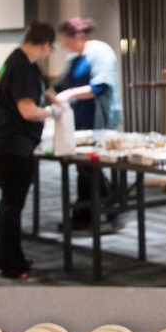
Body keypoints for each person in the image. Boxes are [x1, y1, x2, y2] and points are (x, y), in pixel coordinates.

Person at [0, 23, 57, 280]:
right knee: (12, 204)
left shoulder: (20, 61)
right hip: (11, 144)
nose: (50, 53)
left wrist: (57, 100)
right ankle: (13, 266)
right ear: (45, 45)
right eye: (51, 48)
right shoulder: (22, 67)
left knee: (8, 204)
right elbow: (27, 109)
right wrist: (52, 113)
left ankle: (4, 261)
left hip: (3, 142)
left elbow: (45, 90)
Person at [53, 18, 120, 229]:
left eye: (66, 40)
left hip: (96, 118)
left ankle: (105, 206)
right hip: (78, 118)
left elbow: (100, 87)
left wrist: (70, 94)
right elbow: (62, 84)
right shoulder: (75, 57)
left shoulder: (101, 53)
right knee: (83, 167)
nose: (65, 46)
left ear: (79, 36)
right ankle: (87, 212)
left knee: (89, 167)